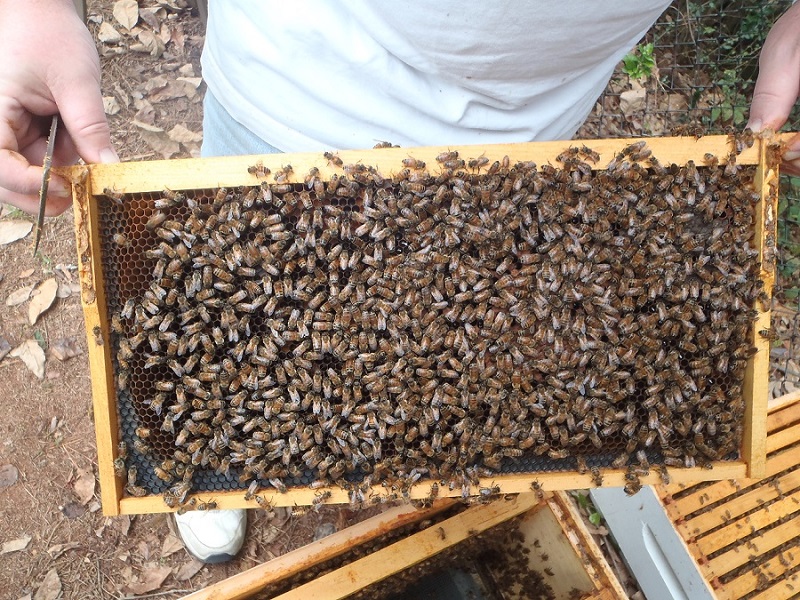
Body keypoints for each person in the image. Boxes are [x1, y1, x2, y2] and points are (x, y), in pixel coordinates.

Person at [2, 0, 798, 564]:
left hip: (510, 150)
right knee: (234, 335)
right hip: (281, 101)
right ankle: (220, 470)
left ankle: (381, 439)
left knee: (446, 337)